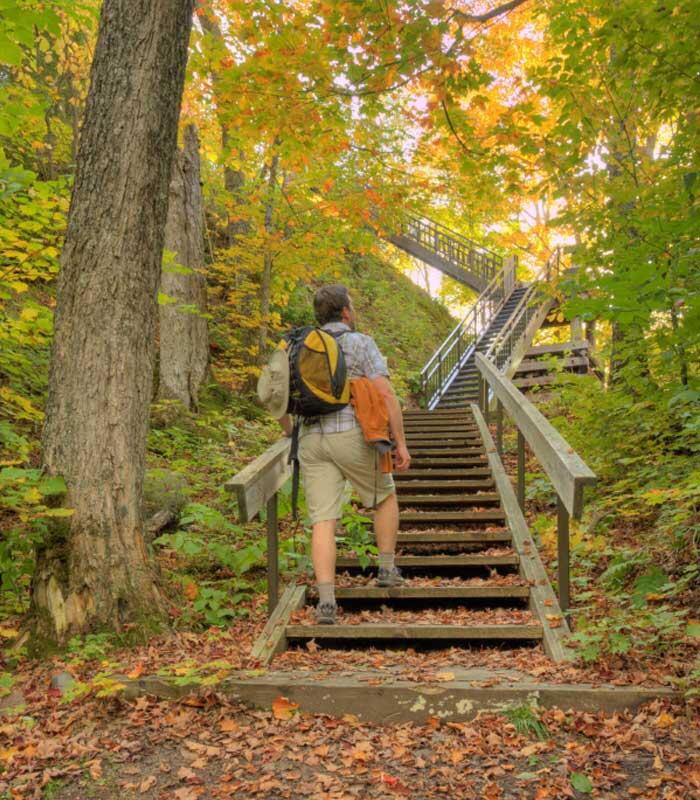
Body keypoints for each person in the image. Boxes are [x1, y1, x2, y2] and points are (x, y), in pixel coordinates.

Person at [279, 284, 411, 624]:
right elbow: (385, 394)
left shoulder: (298, 346)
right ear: (347, 312)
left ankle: (326, 601)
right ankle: (386, 569)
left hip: (310, 439)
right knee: (384, 495)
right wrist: (400, 441)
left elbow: (275, 394)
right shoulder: (359, 342)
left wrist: (290, 431)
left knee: (323, 519)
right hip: (351, 433)